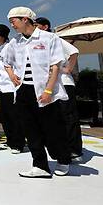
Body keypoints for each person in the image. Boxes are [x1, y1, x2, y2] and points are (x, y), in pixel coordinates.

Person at [4, 7, 71, 178]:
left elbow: (55, 66)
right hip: (23, 89)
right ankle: (39, 164)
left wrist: (49, 90)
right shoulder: (15, 42)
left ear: (25, 19)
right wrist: (12, 76)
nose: (12, 25)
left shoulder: (49, 38)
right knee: (30, 128)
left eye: (14, 21)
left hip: (44, 89)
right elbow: (7, 62)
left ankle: (63, 159)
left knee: (52, 127)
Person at [35, 17, 83, 162]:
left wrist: (68, 68)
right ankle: (62, 147)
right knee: (57, 118)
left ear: (45, 27)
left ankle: (74, 150)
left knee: (69, 117)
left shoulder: (54, 38)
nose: (34, 27)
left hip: (64, 83)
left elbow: (74, 51)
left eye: (36, 25)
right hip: (52, 85)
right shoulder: (40, 41)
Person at [0, 24, 25, 153]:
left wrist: (17, 79)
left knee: (14, 116)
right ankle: (10, 141)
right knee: (3, 116)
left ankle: (18, 143)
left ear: (2, 35)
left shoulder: (11, 47)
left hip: (11, 86)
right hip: (0, 86)